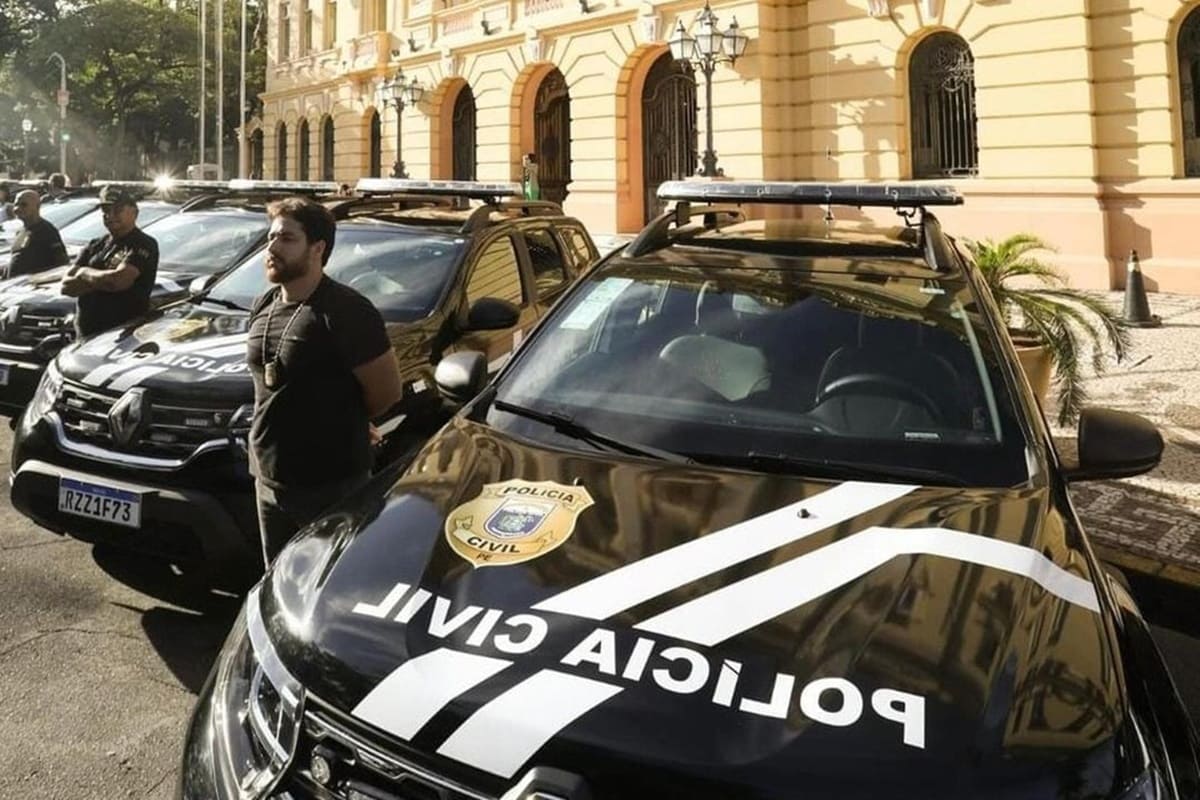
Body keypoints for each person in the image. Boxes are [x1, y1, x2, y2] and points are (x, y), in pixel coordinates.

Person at [247, 196, 402, 565]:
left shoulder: (347, 311)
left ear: (317, 248)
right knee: (277, 581)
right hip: (268, 481)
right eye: (271, 237)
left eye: (286, 239)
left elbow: (386, 393)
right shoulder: (264, 304)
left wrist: (346, 418)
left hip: (330, 486)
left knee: (327, 589)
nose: (272, 247)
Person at [60, 185, 159, 339]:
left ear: (134, 212)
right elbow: (66, 287)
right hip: (86, 335)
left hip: (120, 336)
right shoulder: (96, 244)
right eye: (105, 211)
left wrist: (83, 272)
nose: (110, 215)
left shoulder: (143, 244)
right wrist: (100, 281)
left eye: (117, 210)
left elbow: (117, 282)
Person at [7, 190, 68, 279]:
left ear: (37, 207)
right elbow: (16, 260)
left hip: (31, 287)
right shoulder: (20, 231)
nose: (17, 209)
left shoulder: (47, 231)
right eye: (16, 204)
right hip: (13, 288)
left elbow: (61, 263)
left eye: (24, 205)